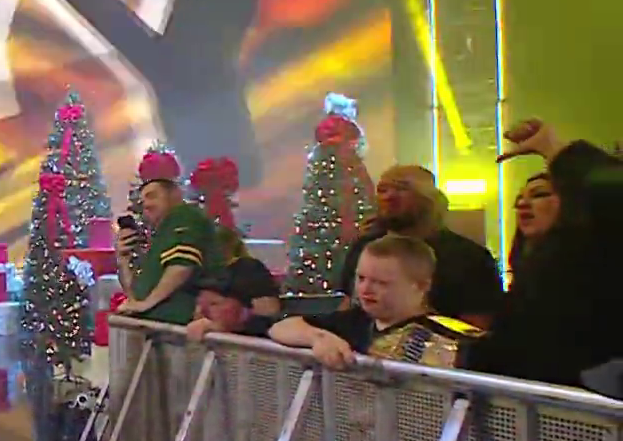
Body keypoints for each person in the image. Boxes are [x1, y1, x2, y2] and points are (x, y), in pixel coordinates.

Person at [469, 119, 621, 389]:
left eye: (539, 194)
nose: (523, 204)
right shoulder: (529, 272)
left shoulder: (595, 261)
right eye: (519, 199)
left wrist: (552, 147)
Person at [265, 234, 480, 368]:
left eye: (381, 283)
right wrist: (317, 338)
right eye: (361, 278)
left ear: (421, 286)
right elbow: (279, 327)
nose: (365, 289)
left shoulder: (454, 339)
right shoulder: (354, 321)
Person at [333, 164, 502, 329]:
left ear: (429, 198)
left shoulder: (468, 257)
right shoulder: (364, 247)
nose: (389, 196)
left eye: (402, 188)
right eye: (383, 190)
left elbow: (477, 328)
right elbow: (348, 305)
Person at [116, 152, 217, 324]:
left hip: (179, 326)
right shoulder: (161, 234)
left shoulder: (185, 216)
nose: (146, 205)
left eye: (152, 196)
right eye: (142, 201)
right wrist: (123, 260)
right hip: (161, 327)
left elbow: (182, 266)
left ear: (174, 194)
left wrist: (147, 304)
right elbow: (136, 296)